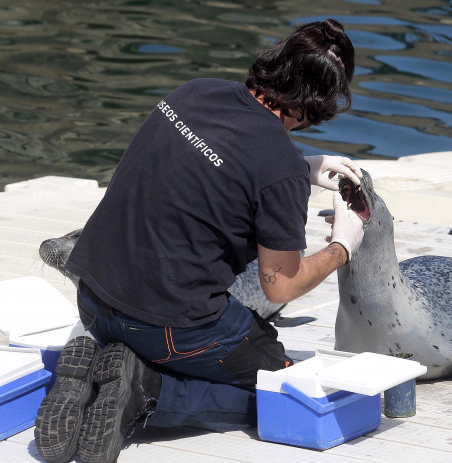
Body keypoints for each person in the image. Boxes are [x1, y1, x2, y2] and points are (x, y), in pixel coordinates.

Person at [34, 19, 364, 463]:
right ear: (320, 105)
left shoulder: (192, 93)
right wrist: (342, 246)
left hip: (93, 299)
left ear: (276, 60)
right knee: (278, 384)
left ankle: (99, 367)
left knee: (188, 332)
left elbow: (214, 166)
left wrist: (300, 167)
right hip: (166, 326)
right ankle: (148, 393)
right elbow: (280, 285)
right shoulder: (278, 166)